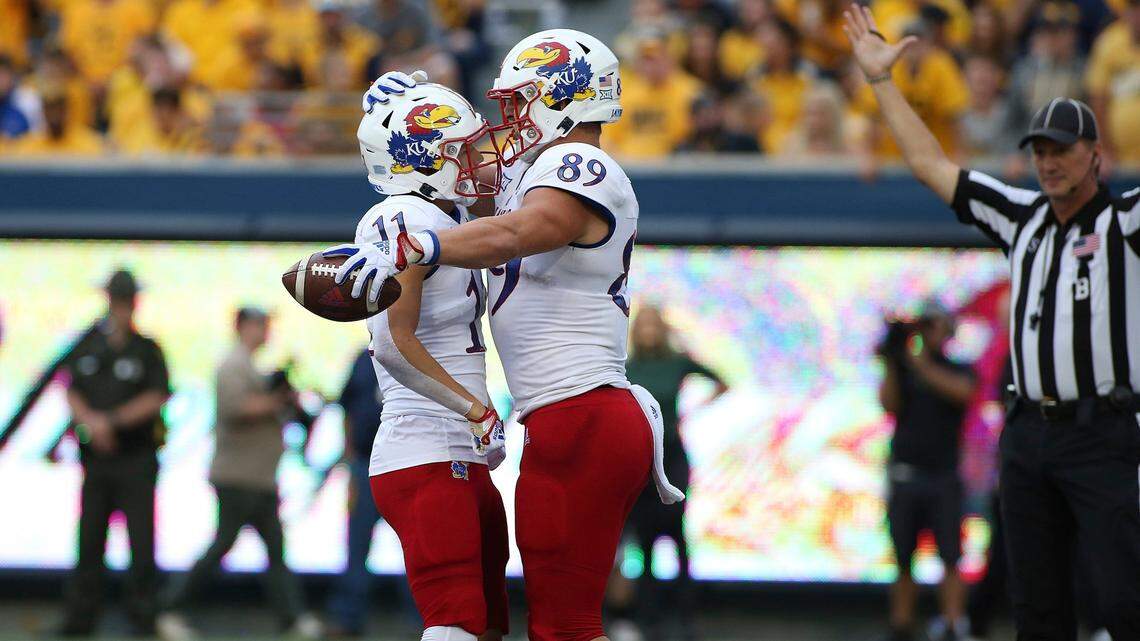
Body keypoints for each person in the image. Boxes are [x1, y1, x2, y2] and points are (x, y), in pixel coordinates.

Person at [336, 31, 685, 641]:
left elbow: (522, 231)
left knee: (564, 628)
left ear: (563, 95)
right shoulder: (532, 173)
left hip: (581, 413)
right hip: (565, 418)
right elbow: (459, 200)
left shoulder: (579, 165)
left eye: (520, 101)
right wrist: (387, 114)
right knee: (547, 625)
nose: (507, 122)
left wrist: (427, 245)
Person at [844, 4, 1140, 640]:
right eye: (1039, 151)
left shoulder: (1126, 224)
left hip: (1104, 432)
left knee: (1122, 598)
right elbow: (930, 164)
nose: (1048, 161)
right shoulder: (1021, 216)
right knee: (1037, 608)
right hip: (1028, 432)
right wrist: (881, 82)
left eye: (1063, 150)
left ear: (1096, 154)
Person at [343, 82, 510, 641]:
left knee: (487, 626)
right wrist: (475, 410)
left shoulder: (441, 219)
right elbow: (393, 341)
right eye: (462, 148)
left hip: (454, 449)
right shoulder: (403, 217)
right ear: (423, 155)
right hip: (424, 444)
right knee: (455, 623)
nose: (477, 159)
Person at [156, 308, 320, 641]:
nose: (266, 332)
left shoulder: (250, 367)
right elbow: (235, 408)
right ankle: (169, 609)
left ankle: (291, 619)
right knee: (224, 545)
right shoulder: (232, 365)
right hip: (238, 476)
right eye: (260, 325)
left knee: (273, 548)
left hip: (258, 476)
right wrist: (276, 399)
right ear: (243, 327)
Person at [59, 269, 171, 637]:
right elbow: (72, 388)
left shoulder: (147, 349)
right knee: (89, 539)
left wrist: (112, 421)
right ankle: (80, 618)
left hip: (136, 459)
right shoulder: (88, 345)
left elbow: (156, 396)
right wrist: (91, 422)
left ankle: (143, 616)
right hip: (97, 460)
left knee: (141, 541)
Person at [624, 305, 727, 641]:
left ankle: (686, 618)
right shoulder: (626, 367)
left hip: (673, 456)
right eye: (645, 324)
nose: (650, 330)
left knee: (677, 534)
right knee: (646, 540)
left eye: (656, 324)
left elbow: (720, 381)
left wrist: (693, 412)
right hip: (641, 458)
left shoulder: (677, 362)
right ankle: (648, 618)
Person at [877, 301, 975, 641]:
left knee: (951, 556)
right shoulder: (904, 372)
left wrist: (919, 365)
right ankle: (901, 625)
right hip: (906, 476)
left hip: (944, 477)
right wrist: (893, 360)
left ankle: (952, 624)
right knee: (903, 558)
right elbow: (889, 405)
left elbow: (963, 394)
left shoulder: (959, 369)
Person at [324, 348, 417, 638]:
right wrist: (350, 462)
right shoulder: (364, 360)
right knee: (357, 547)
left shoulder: (416, 355)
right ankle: (348, 617)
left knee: (415, 549)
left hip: (406, 464)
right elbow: (348, 409)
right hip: (365, 464)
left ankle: (429, 620)